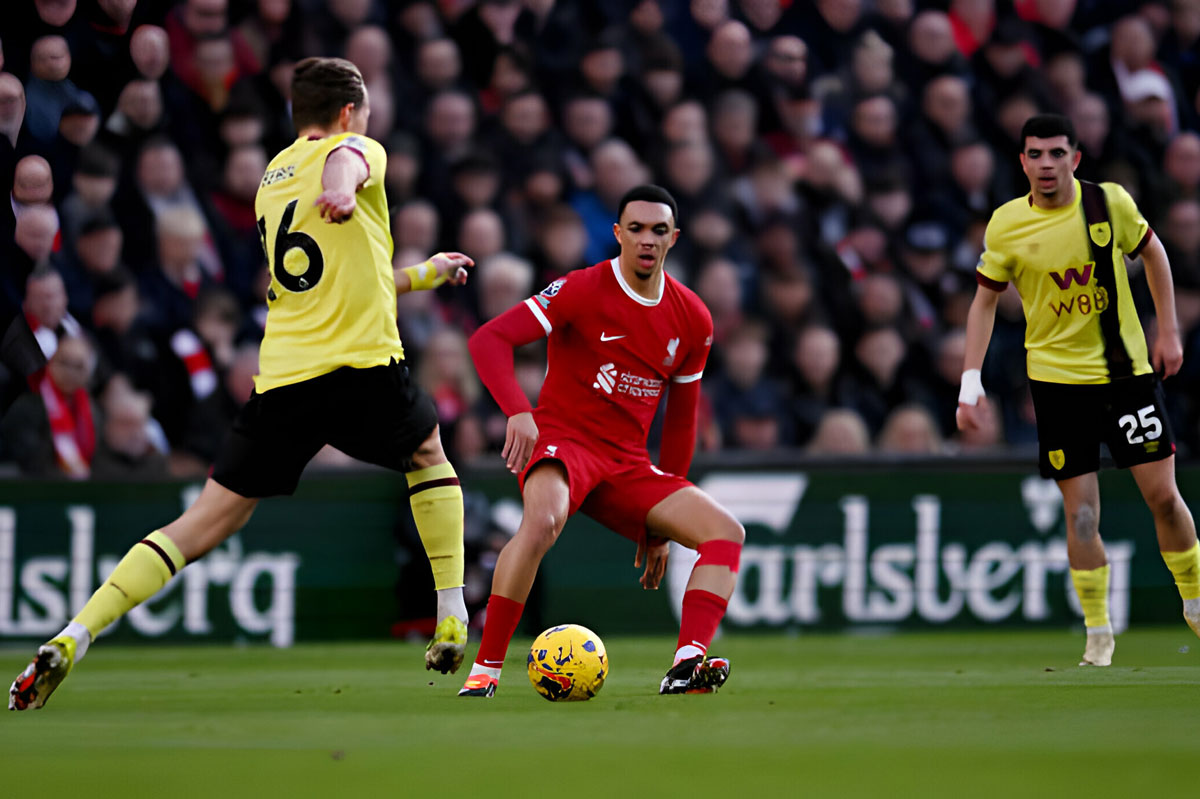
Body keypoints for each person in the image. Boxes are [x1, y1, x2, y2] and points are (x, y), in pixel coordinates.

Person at [10, 57, 477, 711]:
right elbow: (348, 165)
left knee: (203, 520)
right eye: (362, 113)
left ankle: (75, 632)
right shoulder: (352, 149)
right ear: (348, 113)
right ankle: (452, 612)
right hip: (362, 365)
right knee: (428, 454)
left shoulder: (271, 180)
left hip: (285, 376)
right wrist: (344, 185)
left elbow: (328, 277)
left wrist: (420, 274)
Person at [459, 185, 745, 698]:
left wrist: (659, 528)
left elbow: (681, 421)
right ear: (617, 234)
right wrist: (519, 413)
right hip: (563, 442)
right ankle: (486, 669)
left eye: (658, 230)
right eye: (635, 228)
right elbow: (489, 339)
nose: (646, 240)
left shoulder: (693, 318)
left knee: (726, 532)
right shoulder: (581, 288)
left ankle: (686, 663)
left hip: (627, 463)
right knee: (543, 522)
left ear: (674, 239)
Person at [957, 113, 1200, 667]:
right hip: (1058, 385)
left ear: (1075, 158)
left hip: (1126, 377)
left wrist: (1169, 330)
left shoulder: (1108, 203)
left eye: (1057, 153)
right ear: (1022, 162)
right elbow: (985, 302)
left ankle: (1195, 599)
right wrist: (970, 383)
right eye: (1036, 154)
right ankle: (1098, 632)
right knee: (1083, 517)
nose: (1047, 164)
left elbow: (1154, 254)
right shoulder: (1005, 225)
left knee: (1162, 497)